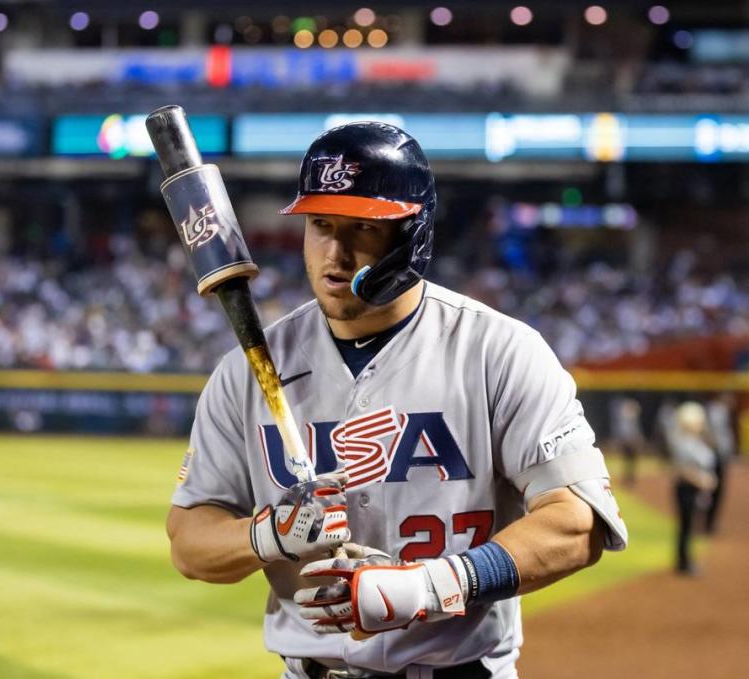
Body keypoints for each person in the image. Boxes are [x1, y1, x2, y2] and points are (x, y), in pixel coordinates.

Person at [167, 123, 628, 679]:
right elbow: (189, 541)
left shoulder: (498, 352)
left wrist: (429, 586)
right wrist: (266, 533)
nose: (335, 254)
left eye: (363, 227)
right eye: (321, 225)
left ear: (414, 236)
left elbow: (578, 524)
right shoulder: (247, 372)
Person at [666, 401, 716, 574]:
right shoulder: (682, 442)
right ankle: (683, 562)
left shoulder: (695, 441)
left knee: (690, 526)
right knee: (686, 526)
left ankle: (686, 559)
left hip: (694, 490)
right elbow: (681, 470)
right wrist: (701, 480)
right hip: (686, 489)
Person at [704, 393, 735, 534]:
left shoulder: (722, 412)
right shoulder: (717, 412)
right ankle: (708, 523)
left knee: (716, 490)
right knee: (713, 490)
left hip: (719, 456)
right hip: (714, 457)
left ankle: (709, 523)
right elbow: (712, 436)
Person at [609, 396, 644, 486]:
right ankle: (627, 478)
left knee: (633, 461)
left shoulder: (632, 420)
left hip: (632, 441)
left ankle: (631, 477)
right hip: (626, 442)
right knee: (626, 460)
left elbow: (636, 432)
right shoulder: (623, 420)